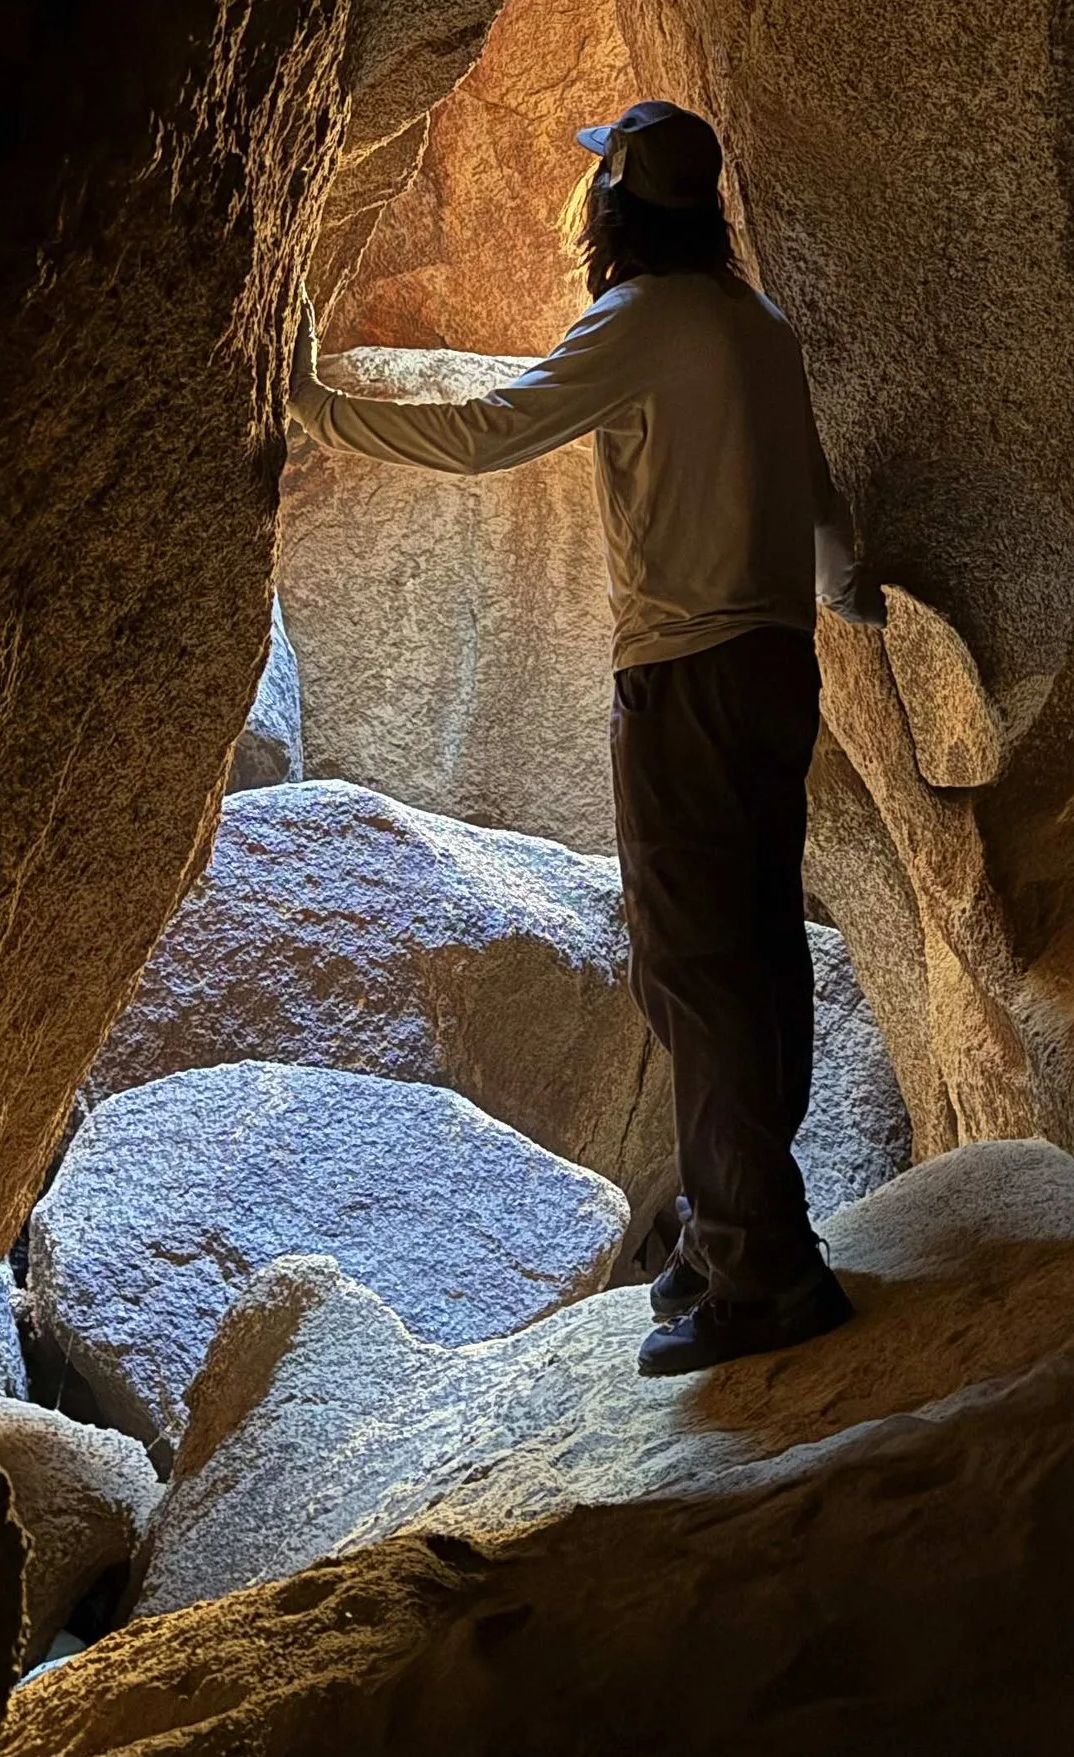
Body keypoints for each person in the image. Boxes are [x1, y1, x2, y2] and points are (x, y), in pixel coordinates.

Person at [286, 97, 887, 1376]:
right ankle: (735, 1235)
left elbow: (493, 430)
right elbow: (824, 512)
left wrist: (317, 406)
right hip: (776, 668)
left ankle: (759, 1268)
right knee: (758, 952)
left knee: (694, 970)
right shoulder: (756, 328)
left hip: (684, 678)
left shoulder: (642, 322)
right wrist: (847, 595)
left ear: (615, 204)